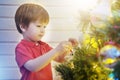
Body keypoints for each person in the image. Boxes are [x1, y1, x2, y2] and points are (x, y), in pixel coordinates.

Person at [14, 3, 78, 80]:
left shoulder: (44, 46)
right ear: (23, 27)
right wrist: (56, 50)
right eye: (38, 26)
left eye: (44, 27)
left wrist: (68, 47)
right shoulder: (21, 48)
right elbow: (33, 67)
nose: (43, 30)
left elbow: (60, 59)